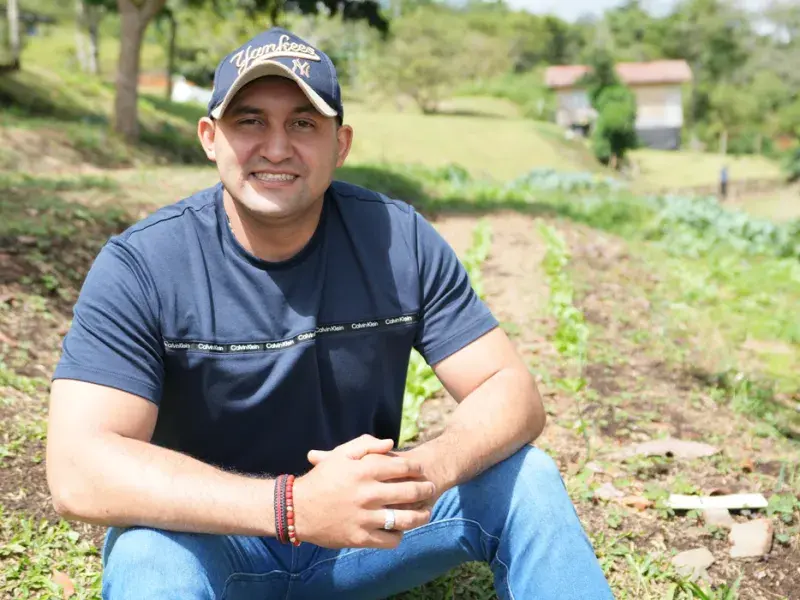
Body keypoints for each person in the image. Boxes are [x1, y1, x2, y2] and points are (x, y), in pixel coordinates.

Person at [45, 26, 614, 600]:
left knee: (529, 480)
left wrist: (422, 475)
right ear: (209, 137)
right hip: (215, 540)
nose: (275, 147)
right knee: (146, 553)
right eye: (249, 121)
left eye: (302, 123)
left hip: (367, 540)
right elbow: (78, 466)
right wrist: (292, 508)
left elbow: (510, 388)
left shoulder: (397, 239)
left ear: (340, 144)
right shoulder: (142, 264)